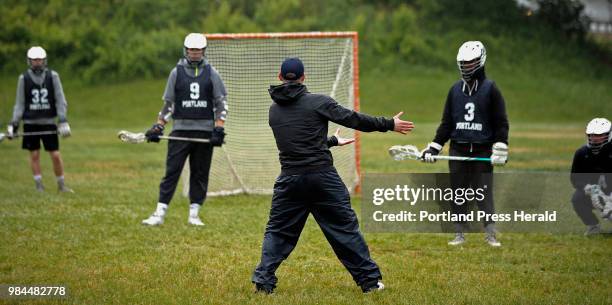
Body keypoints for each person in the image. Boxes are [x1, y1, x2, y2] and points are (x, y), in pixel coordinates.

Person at [251, 57, 415, 294]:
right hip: (322, 179)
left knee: (278, 231)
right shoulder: (319, 102)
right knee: (344, 230)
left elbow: (299, 144)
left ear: (279, 77)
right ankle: (370, 282)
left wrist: (331, 141)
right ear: (303, 77)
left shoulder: (273, 111)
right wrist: (388, 123)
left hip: (290, 181)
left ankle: (264, 283)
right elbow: (354, 119)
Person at [420, 41, 509, 247]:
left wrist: (501, 146)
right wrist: (434, 146)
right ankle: (459, 233)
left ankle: (490, 233)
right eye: (464, 63)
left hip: (482, 150)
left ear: (481, 62)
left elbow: (500, 122)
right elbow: (446, 124)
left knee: (483, 193)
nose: (467, 67)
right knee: (458, 193)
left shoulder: (491, 89)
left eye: (471, 63)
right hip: (458, 149)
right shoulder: (454, 90)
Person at [141, 33, 228, 226]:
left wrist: (218, 129)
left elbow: (221, 104)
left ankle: (194, 214)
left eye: (198, 50)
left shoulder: (212, 73)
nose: (194, 53)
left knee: (200, 173)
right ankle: (159, 213)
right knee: (171, 172)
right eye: (191, 50)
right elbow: (168, 105)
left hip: (204, 133)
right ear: (186, 50)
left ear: (203, 51)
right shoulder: (176, 73)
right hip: (180, 131)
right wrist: (159, 125)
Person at [7, 46, 73, 193]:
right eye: (35, 60)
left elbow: (60, 99)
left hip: (48, 122)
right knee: (35, 155)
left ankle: (61, 185)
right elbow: (20, 103)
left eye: (40, 60)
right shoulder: (23, 78)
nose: (37, 63)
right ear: (29, 61)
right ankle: (39, 186)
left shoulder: (53, 76)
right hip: (31, 123)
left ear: (44, 60)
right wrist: (14, 123)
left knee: (55, 155)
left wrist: (62, 119)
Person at [570, 118, 612, 235]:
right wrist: (588, 188)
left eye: (599, 135)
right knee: (577, 198)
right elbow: (575, 178)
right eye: (591, 135)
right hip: (595, 191)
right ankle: (593, 226)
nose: (594, 138)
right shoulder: (582, 153)